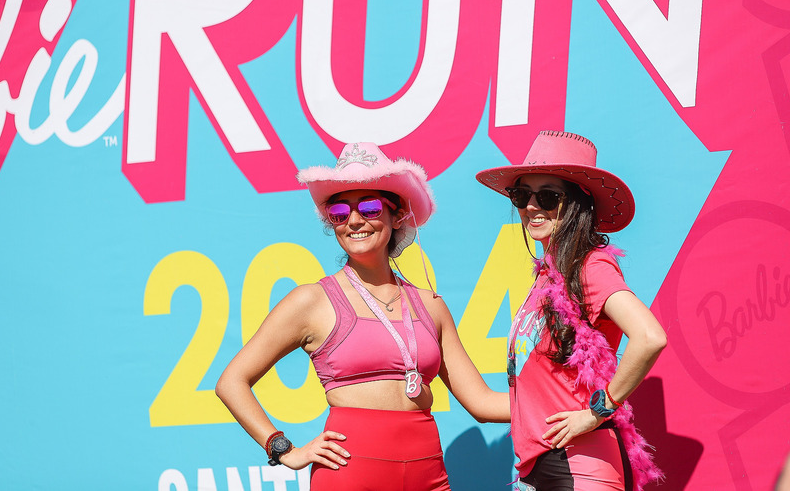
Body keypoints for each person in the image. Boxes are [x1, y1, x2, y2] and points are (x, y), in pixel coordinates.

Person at [216, 142, 509, 490]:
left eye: (369, 207)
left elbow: (481, 402)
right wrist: (282, 449)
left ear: (397, 215)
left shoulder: (430, 304)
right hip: (349, 476)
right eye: (339, 212)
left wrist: (564, 405)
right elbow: (231, 382)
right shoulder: (311, 300)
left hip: (429, 477)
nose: (354, 221)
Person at [475, 130, 667, 491]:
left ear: (577, 204)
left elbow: (649, 336)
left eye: (548, 196)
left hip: (580, 465)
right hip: (539, 470)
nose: (532, 207)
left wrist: (598, 411)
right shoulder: (547, 278)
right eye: (522, 195)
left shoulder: (589, 266)